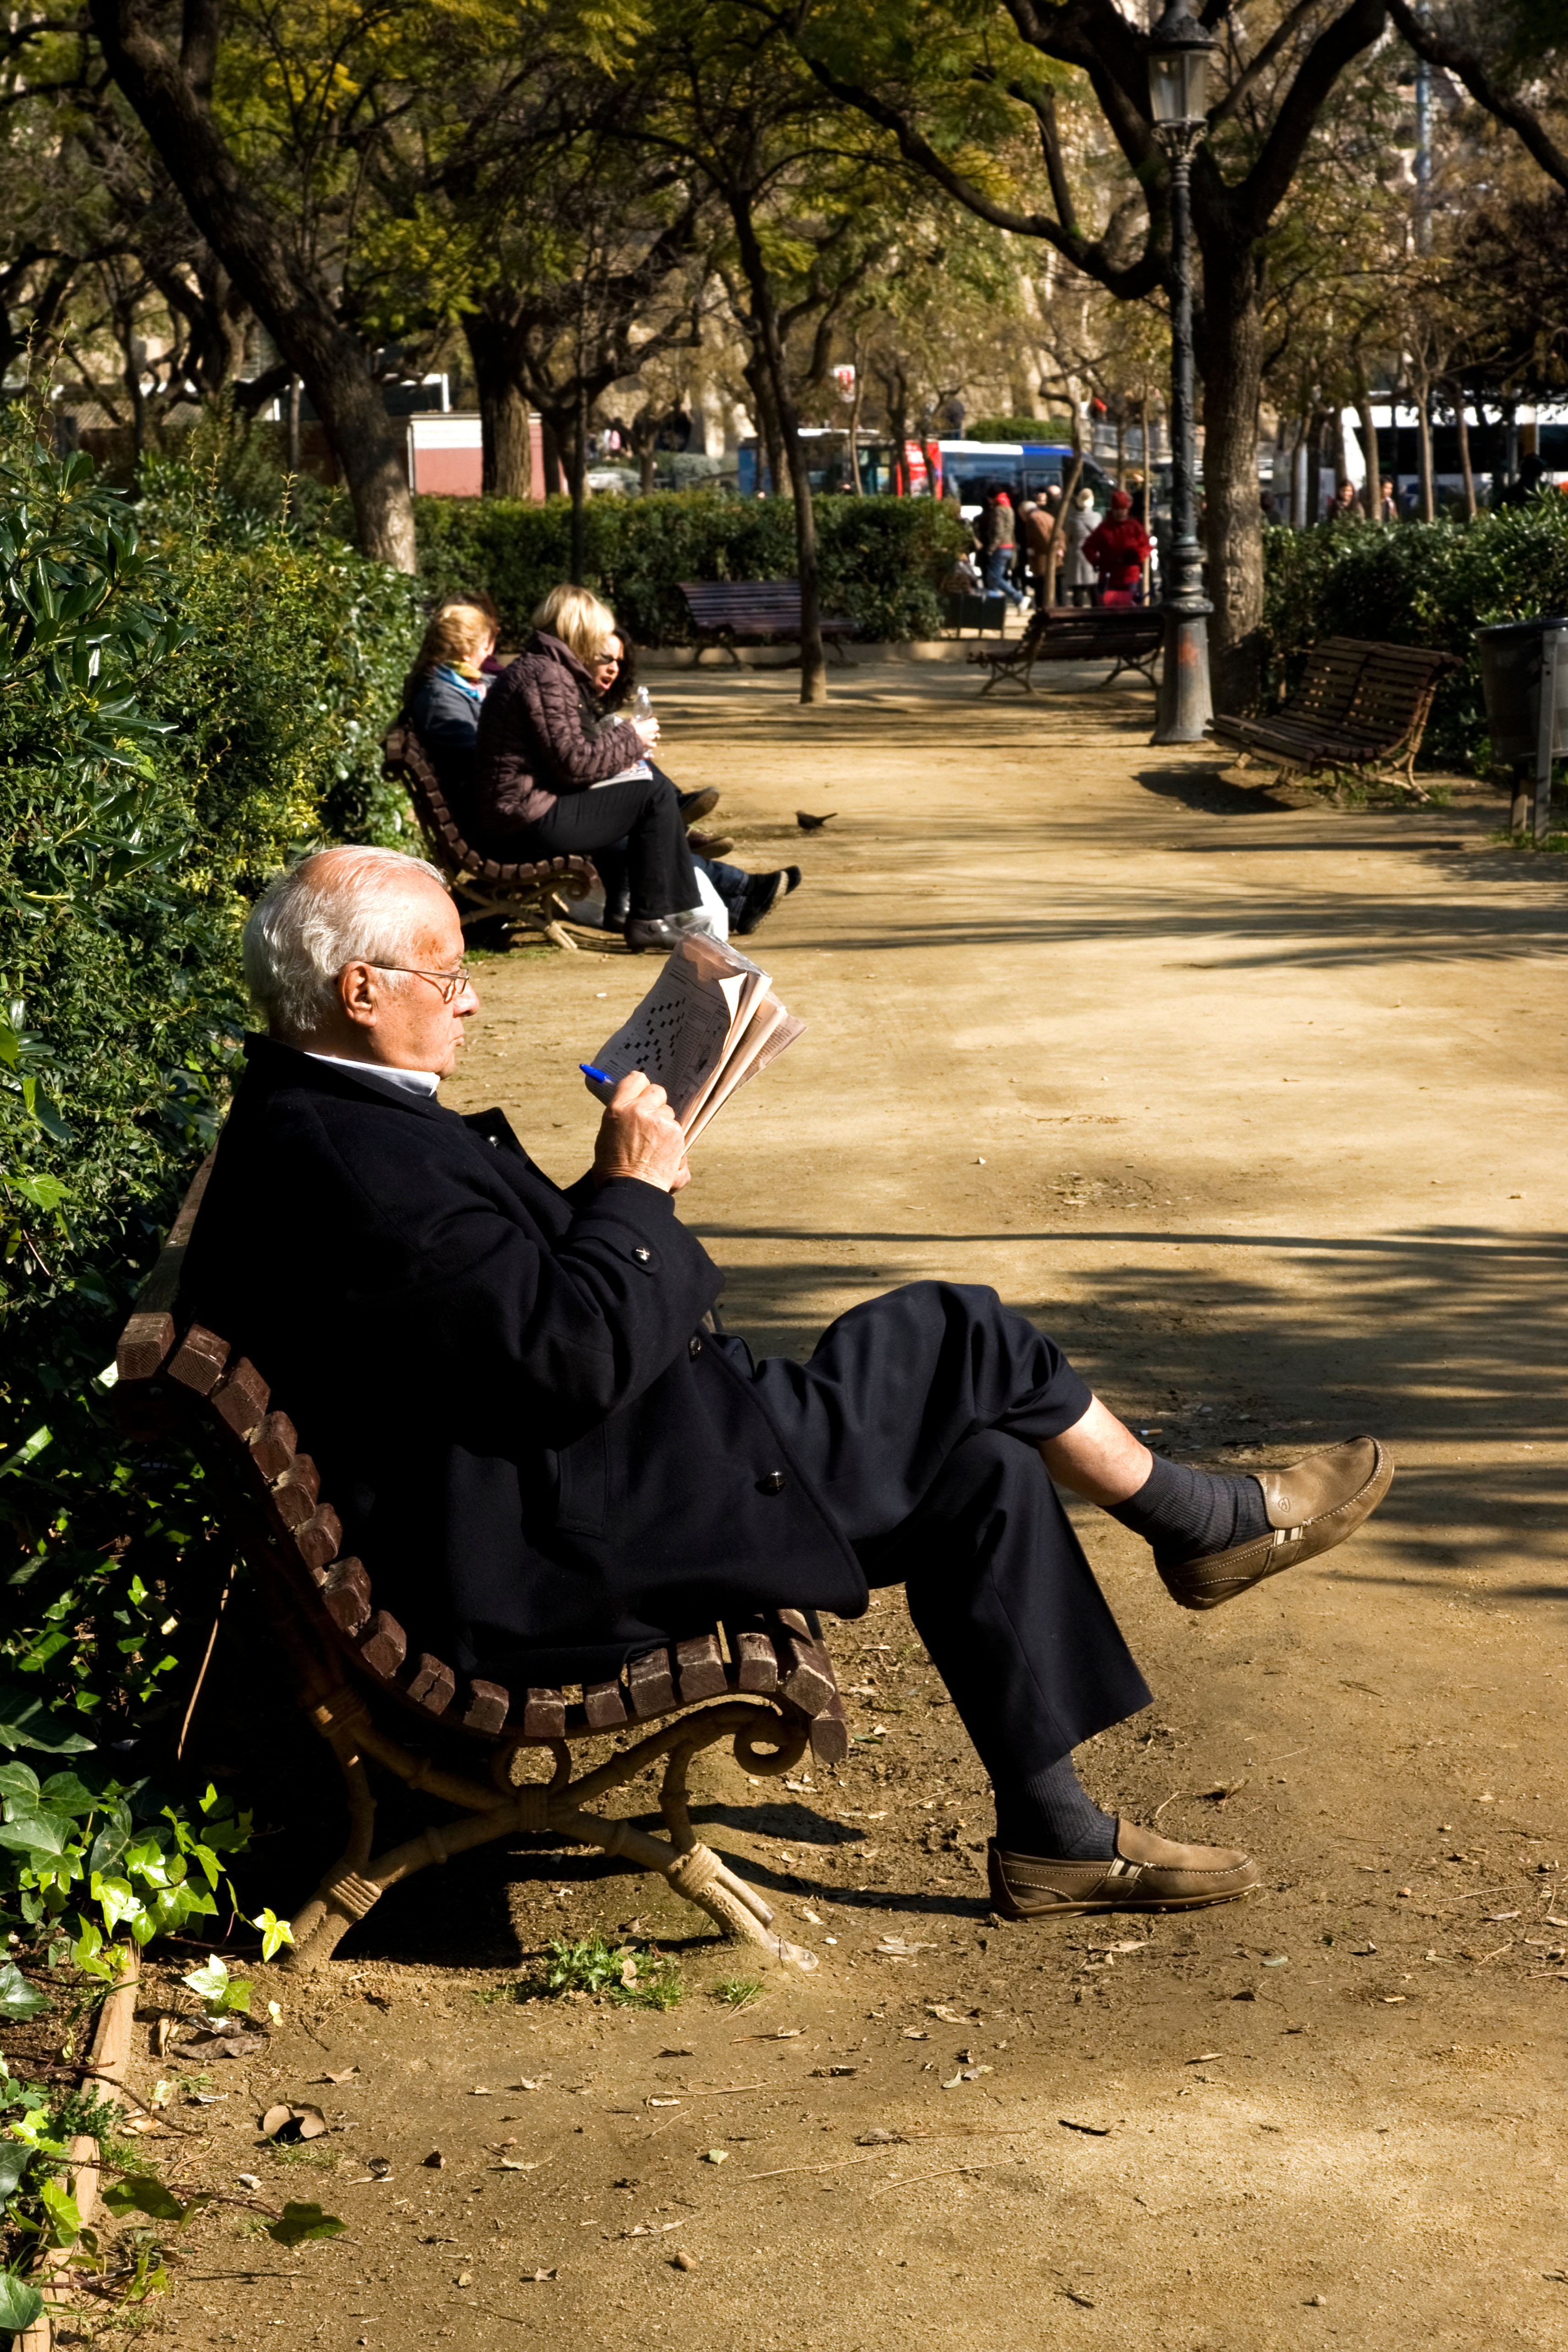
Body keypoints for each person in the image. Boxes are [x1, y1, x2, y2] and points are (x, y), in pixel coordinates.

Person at [183, 847, 1395, 1921]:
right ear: (360, 990)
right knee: (955, 1337)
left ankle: (1056, 1834)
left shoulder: (330, 1119)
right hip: (558, 1552)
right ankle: (1194, 1521)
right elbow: (568, 1359)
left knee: (973, 1462)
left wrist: (624, 1195)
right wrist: (632, 1192)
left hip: (571, 1486)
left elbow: (507, 1319)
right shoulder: (352, 1155)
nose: (473, 996)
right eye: (447, 975)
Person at [473, 584, 707, 954]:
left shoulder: (540, 669)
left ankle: (633, 909)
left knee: (644, 784)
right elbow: (574, 764)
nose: (601, 644)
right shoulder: (546, 675)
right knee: (654, 794)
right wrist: (632, 737)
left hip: (518, 813)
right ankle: (652, 919)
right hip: (525, 823)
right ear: (579, 629)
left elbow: (566, 760)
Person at [591, 630, 801, 940]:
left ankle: (735, 890)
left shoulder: (563, 696)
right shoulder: (547, 691)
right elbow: (573, 763)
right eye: (606, 659)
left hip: (572, 807)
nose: (614, 668)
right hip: (555, 817)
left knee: (643, 797)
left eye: (618, 662)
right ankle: (683, 827)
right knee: (651, 829)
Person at [404, 596, 499, 823]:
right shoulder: (440, 698)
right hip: (480, 814)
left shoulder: (456, 682)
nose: (488, 654)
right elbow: (478, 759)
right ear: (467, 652)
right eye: (485, 646)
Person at [1083, 488, 1152, 607]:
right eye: (1117, 509)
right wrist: (1096, 561)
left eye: (1123, 509)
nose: (1120, 512)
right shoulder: (1104, 528)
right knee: (1108, 608)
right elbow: (1088, 547)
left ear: (1127, 510)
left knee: (1130, 607)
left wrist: (1137, 555)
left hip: (1130, 576)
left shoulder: (1135, 526)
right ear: (1113, 510)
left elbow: (1147, 547)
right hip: (1109, 577)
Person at [980, 487, 1025, 611]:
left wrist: (992, 547)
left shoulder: (998, 510)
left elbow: (998, 531)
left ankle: (1018, 597)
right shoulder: (1009, 508)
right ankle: (994, 602)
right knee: (994, 577)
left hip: (1001, 547)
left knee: (994, 577)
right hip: (1009, 546)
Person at [1061, 486, 1101, 607]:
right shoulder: (1098, 517)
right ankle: (1097, 618)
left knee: (1077, 591)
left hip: (1077, 555)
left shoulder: (1072, 519)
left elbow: (1068, 538)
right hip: (1093, 555)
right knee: (1094, 589)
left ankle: (1078, 618)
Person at [1020, 496, 1056, 608]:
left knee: (1041, 588)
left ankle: (1042, 612)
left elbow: (1042, 538)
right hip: (1050, 556)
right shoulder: (1047, 516)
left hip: (1042, 558)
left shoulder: (1033, 519)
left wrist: (1048, 550)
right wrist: (1060, 549)